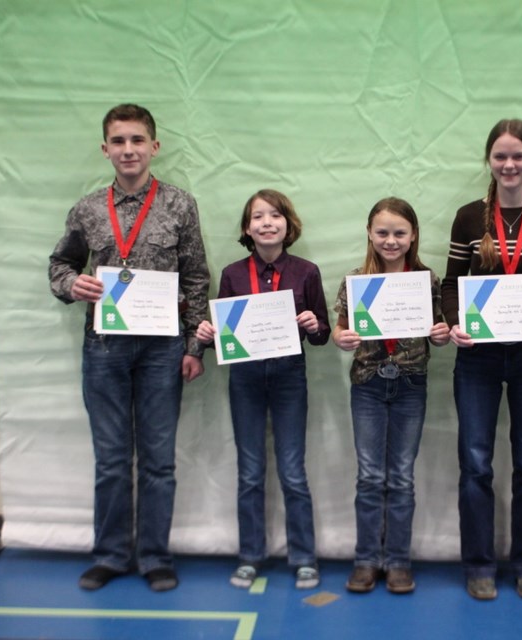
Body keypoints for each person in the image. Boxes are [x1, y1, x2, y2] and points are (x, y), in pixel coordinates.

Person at [48, 104, 210, 592]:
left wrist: (193, 347)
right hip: (104, 347)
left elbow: (197, 276)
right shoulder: (87, 209)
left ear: (154, 147)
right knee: (112, 458)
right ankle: (112, 555)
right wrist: (73, 284)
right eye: (118, 141)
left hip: (162, 348)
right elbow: (59, 265)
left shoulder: (180, 205)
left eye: (137, 140)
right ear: (105, 149)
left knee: (158, 459)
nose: (128, 150)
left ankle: (156, 556)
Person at [442, 119, 522, 601]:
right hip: (477, 359)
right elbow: (452, 283)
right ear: (489, 161)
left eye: (518, 156)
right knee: (475, 464)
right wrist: (455, 323)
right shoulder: (468, 217)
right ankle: (478, 565)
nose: (509, 165)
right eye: (500, 156)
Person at [195, 189, 330, 591]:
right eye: (258, 217)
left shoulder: (306, 271)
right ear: (247, 228)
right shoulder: (234, 275)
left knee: (292, 470)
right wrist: (207, 334)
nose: (266, 222)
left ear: (289, 225)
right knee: (250, 472)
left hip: (290, 377)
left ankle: (304, 556)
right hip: (246, 380)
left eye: (275, 215)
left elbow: (322, 333)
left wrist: (313, 324)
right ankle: (250, 555)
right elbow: (225, 336)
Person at [332, 197, 450, 594]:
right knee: (369, 477)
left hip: (411, 384)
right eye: (382, 232)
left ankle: (398, 560)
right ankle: (367, 559)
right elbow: (340, 329)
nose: (391, 240)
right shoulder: (354, 281)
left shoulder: (428, 280)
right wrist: (342, 338)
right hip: (367, 384)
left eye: (400, 233)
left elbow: (441, 327)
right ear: (369, 233)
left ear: (413, 235)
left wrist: (441, 333)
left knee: (400, 477)